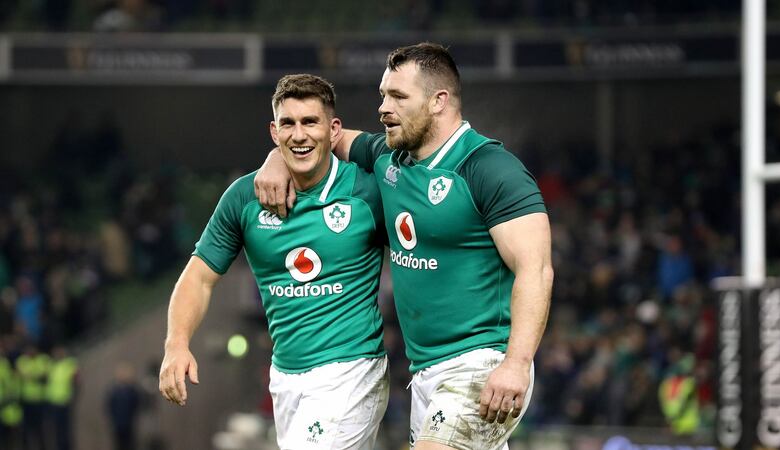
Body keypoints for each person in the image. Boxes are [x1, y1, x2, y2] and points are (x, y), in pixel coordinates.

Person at [255, 43, 553, 450]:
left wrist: (516, 363)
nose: (383, 108)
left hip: (483, 363)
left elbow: (536, 270)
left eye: (398, 96)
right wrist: (276, 158)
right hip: (425, 372)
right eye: (383, 95)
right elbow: (321, 139)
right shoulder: (389, 158)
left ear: (438, 101)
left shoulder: (490, 169)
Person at [159, 74, 389, 449]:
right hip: (285, 377)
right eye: (288, 123)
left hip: (351, 368)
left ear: (334, 130)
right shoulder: (244, 198)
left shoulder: (367, 190)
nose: (299, 135)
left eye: (310, 122)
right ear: (274, 131)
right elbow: (198, 277)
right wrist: (176, 344)